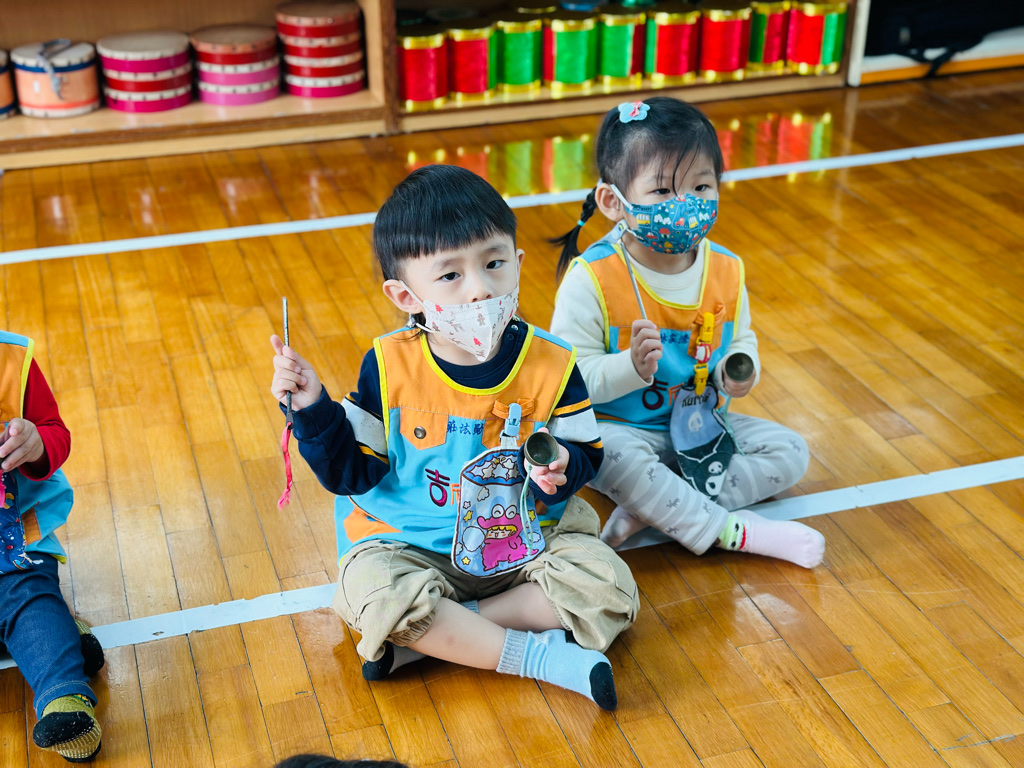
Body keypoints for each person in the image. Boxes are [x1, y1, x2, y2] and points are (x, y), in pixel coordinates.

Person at [270, 165, 638, 711]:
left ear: (518, 263)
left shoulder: (554, 363)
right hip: (409, 549)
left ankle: (440, 637)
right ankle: (542, 658)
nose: (480, 288)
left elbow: (586, 453)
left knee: (609, 587)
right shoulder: (387, 365)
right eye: (450, 275)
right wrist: (312, 410)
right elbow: (351, 472)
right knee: (376, 593)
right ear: (405, 295)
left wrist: (564, 466)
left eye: (494, 263)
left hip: (522, 546)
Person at [549, 97, 825, 569]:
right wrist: (629, 367)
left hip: (698, 427)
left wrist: (738, 371)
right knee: (608, 455)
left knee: (791, 451)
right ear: (613, 202)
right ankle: (727, 530)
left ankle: (656, 507)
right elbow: (569, 382)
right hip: (620, 429)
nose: (685, 205)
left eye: (701, 186)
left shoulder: (726, 268)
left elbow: (741, 340)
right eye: (661, 190)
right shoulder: (592, 277)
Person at [0, 331, 105, 762]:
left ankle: (66, 700)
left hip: (13, 549)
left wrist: (36, 443)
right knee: (34, 620)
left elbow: (55, 435)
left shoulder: (9, 361)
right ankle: (61, 634)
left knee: (30, 605)